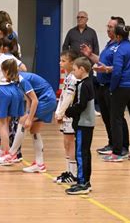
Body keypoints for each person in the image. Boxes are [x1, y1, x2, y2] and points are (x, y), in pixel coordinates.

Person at [81, 16, 129, 156]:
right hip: (101, 86)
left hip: (111, 86)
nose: (108, 29)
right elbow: (102, 62)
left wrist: (106, 69)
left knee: (117, 118)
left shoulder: (120, 46)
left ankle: (123, 146)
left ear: (119, 29)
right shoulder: (110, 44)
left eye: (111, 27)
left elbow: (117, 67)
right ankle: (112, 142)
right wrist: (90, 55)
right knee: (107, 118)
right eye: (107, 27)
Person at [104, 25, 130, 162]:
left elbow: (117, 72)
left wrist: (112, 88)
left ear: (118, 37)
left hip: (122, 88)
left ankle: (117, 153)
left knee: (116, 119)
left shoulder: (120, 50)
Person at [64, 57, 95, 195]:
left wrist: (68, 112)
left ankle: (83, 182)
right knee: (85, 152)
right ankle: (85, 181)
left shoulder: (83, 84)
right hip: (86, 123)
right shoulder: (88, 82)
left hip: (84, 123)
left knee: (81, 153)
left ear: (82, 70)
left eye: (75, 69)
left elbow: (81, 105)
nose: (74, 72)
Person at [53, 50, 79, 184]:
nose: (60, 63)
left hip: (70, 116)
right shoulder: (68, 76)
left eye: (63, 61)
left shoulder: (73, 78)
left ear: (72, 63)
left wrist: (60, 113)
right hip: (65, 116)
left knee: (70, 143)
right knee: (66, 144)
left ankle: (74, 174)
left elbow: (69, 98)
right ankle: (69, 171)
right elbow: (62, 96)